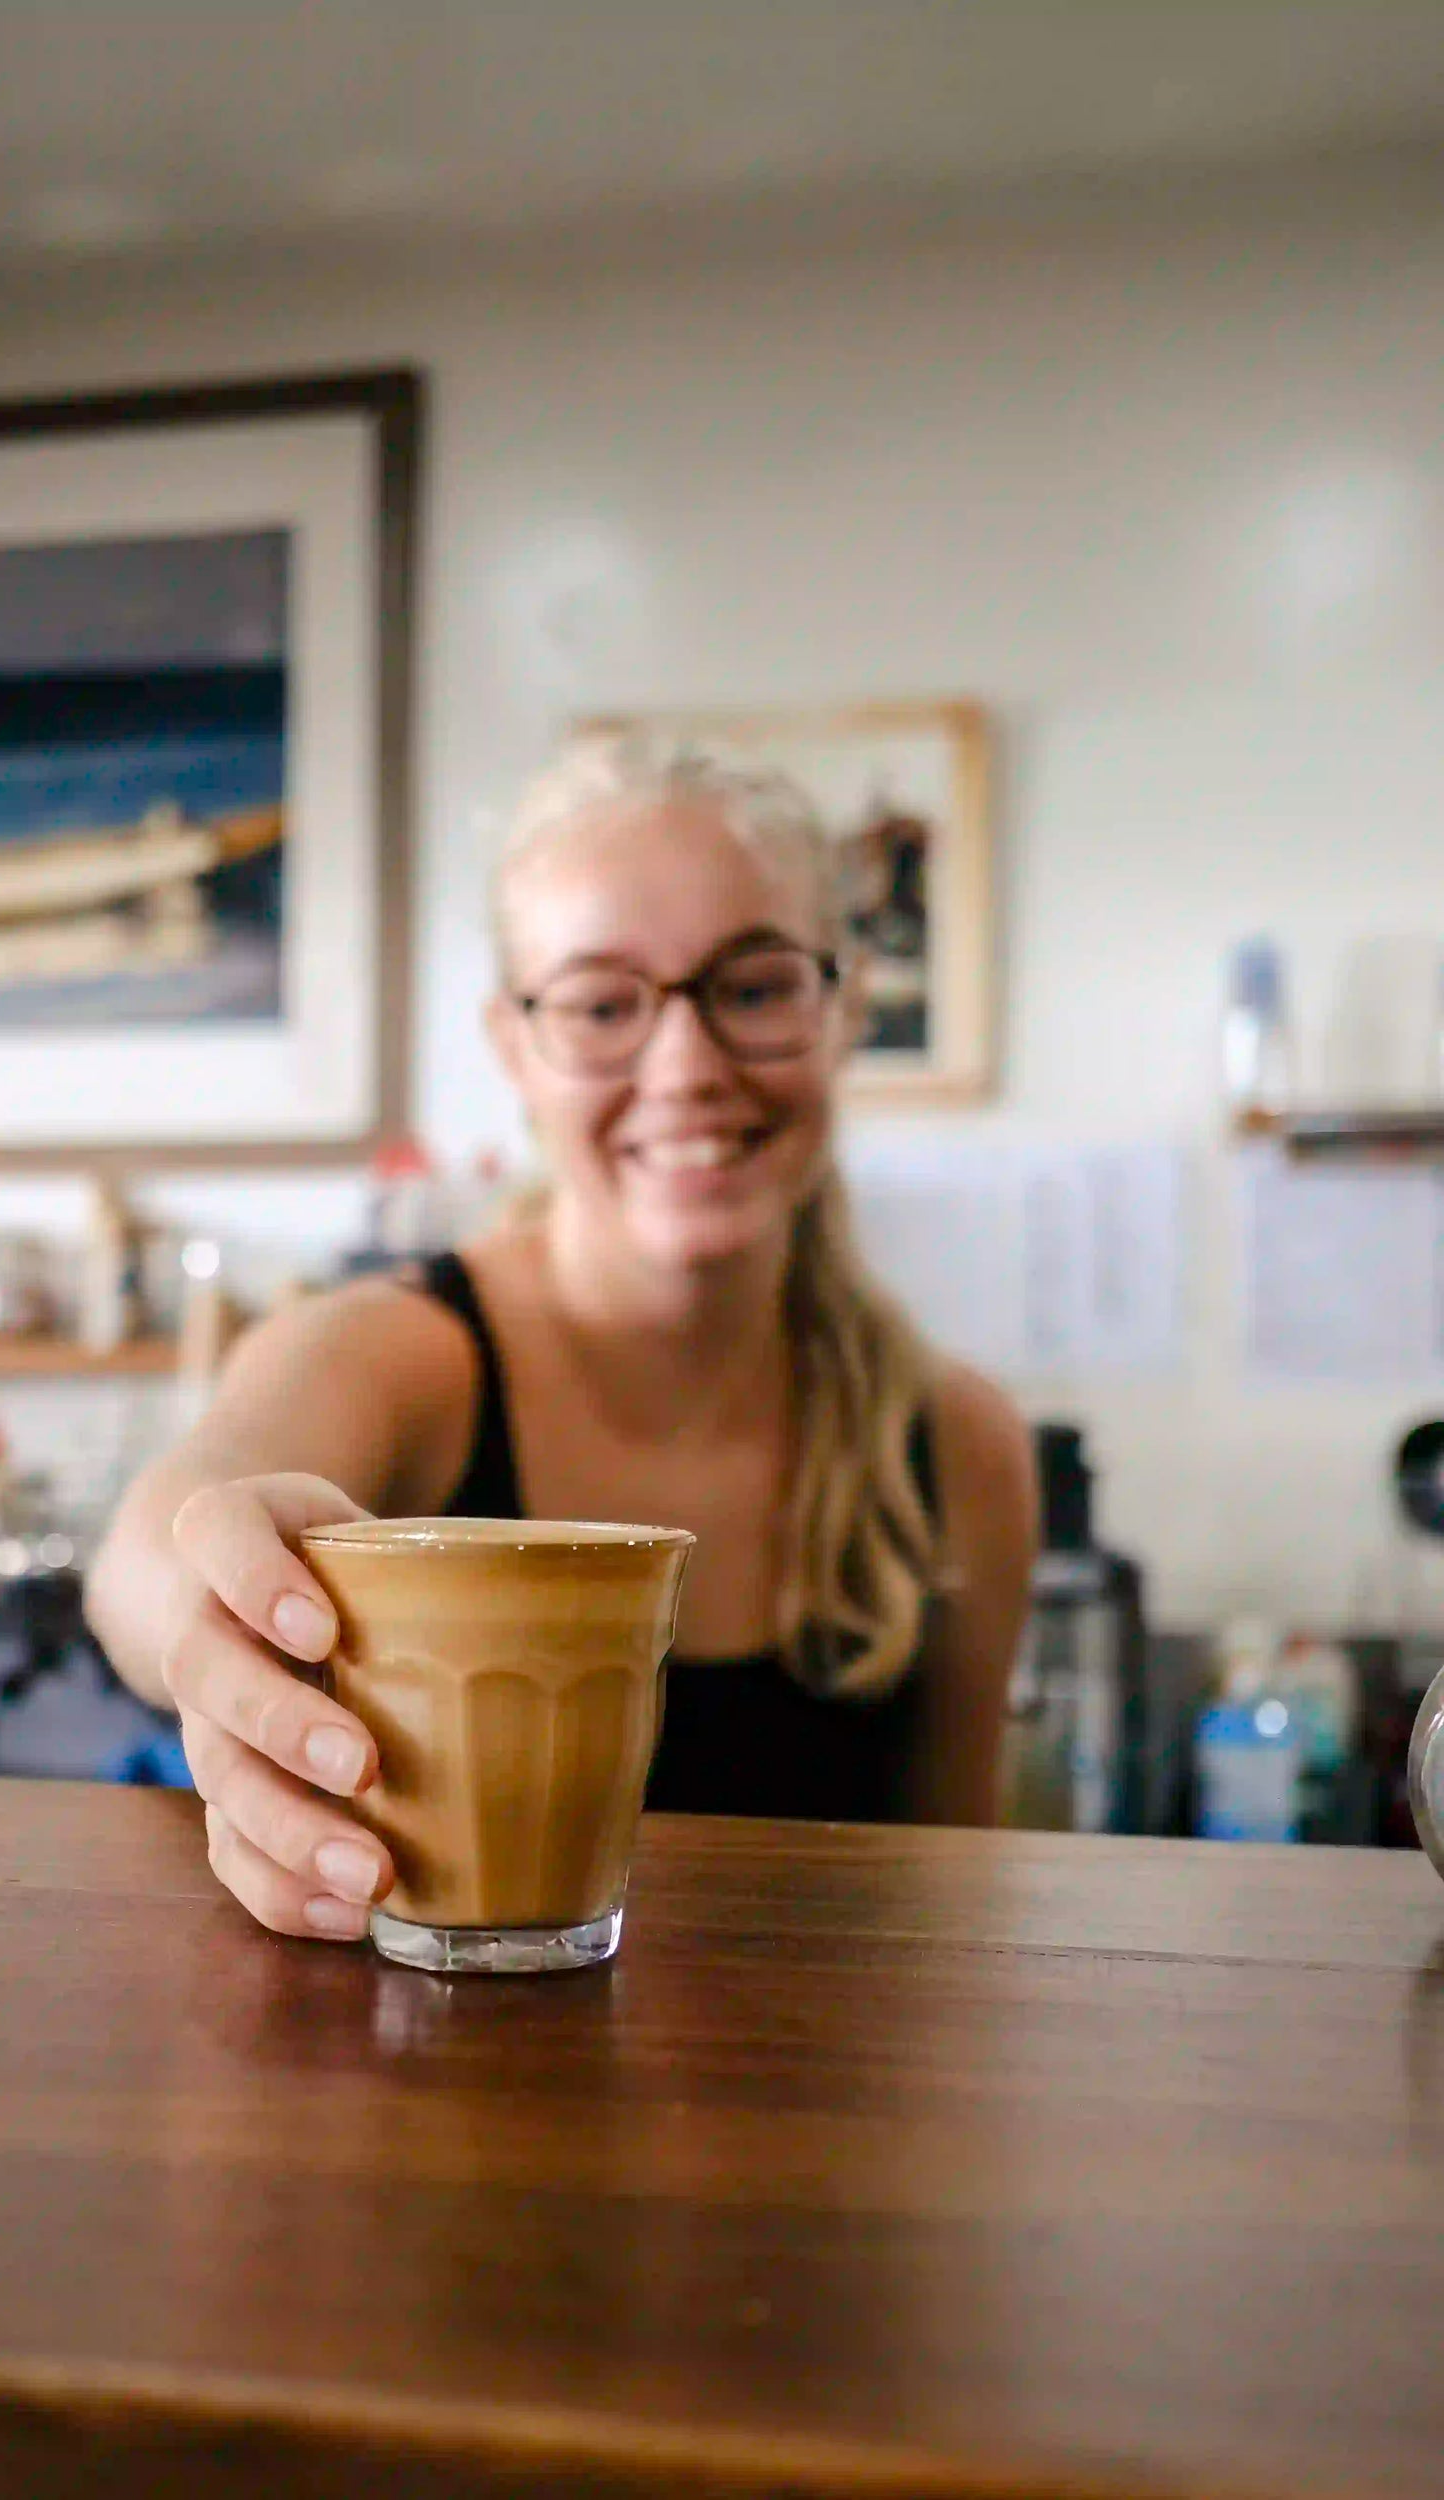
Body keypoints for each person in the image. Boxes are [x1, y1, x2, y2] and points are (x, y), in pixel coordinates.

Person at [89, 731, 1038, 1941]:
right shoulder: (400, 1359)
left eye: (751, 987)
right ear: (514, 1047)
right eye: (602, 1004)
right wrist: (206, 1605)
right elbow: (159, 1539)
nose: (685, 1065)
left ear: (838, 1009)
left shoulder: (958, 1448)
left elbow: (950, 1907)